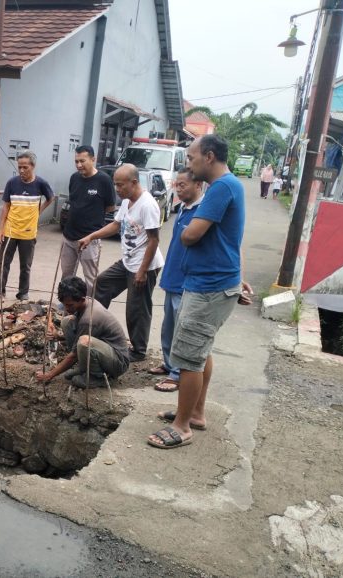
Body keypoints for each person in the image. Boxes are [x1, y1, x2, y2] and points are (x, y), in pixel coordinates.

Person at [147, 134, 253, 450]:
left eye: (191, 158)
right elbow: (230, 238)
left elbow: (191, 235)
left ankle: (182, 426)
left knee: (189, 356)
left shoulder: (221, 188)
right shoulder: (227, 186)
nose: (188, 164)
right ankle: (194, 412)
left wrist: (188, 235)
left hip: (209, 286)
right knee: (201, 350)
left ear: (208, 156)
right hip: (213, 281)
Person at [79, 163, 164, 362]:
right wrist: (91, 236)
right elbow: (116, 225)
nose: (117, 189)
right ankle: (96, 327)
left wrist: (142, 272)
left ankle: (138, 350)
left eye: (120, 185)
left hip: (145, 265)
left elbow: (154, 240)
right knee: (101, 284)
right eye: (115, 185)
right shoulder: (127, 201)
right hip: (127, 261)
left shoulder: (148, 205)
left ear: (134, 183)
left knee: (136, 308)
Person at [149, 168, 204, 392]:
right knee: (168, 327)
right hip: (173, 277)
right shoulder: (181, 209)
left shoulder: (202, 213)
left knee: (182, 331)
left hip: (186, 282)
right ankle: (169, 363)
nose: (178, 189)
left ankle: (177, 374)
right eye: (177, 185)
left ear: (198, 184)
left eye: (183, 185)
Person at [34, 276, 129, 389]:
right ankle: (85, 367)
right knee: (67, 321)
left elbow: (74, 354)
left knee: (84, 342)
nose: (66, 308)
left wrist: (49, 375)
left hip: (118, 362)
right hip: (103, 349)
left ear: (82, 299)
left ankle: (98, 377)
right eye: (64, 304)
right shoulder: (86, 301)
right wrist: (58, 336)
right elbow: (78, 334)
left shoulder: (89, 319)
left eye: (70, 305)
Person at [0, 150, 54, 300]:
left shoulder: (41, 183)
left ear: (33, 166)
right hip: (10, 231)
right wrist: (0, 229)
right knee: (3, 264)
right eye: (19, 167)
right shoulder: (12, 183)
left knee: (25, 267)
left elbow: (50, 198)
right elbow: (6, 206)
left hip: (28, 233)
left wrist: (38, 212)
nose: (21, 170)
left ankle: (23, 293)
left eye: (25, 167)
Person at [60, 145, 116, 295]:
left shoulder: (104, 180)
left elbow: (110, 207)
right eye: (76, 161)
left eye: (82, 161)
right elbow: (73, 201)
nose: (79, 165)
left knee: (91, 278)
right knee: (66, 276)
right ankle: (67, 305)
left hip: (90, 239)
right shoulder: (74, 178)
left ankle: (90, 309)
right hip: (69, 237)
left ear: (93, 159)